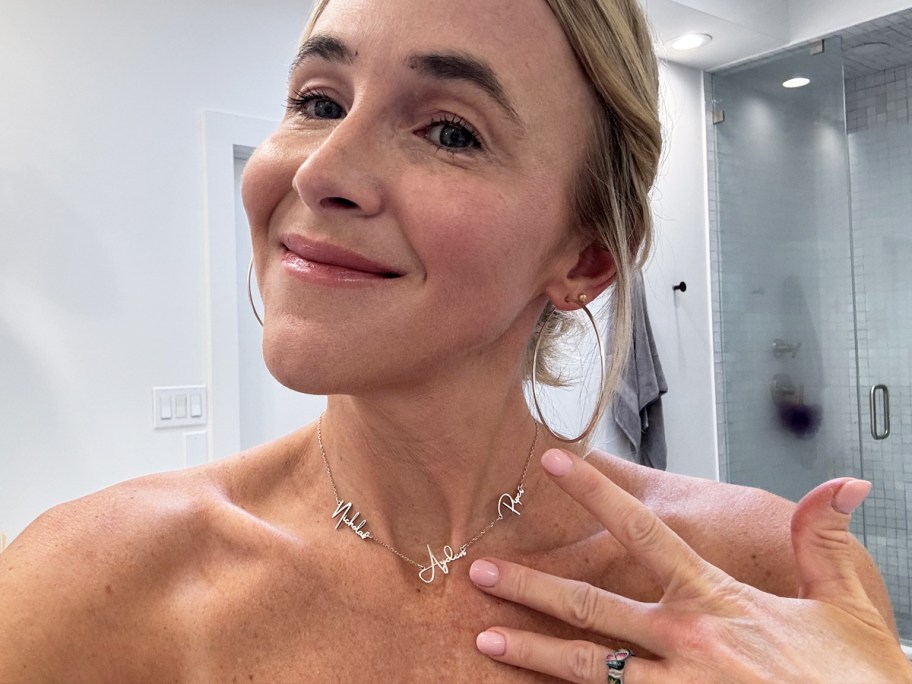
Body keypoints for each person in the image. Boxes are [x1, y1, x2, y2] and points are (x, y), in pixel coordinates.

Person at [1, 0, 910, 681]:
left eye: (449, 130)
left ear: (587, 259)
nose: (320, 172)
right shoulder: (93, 584)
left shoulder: (760, 582)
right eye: (318, 101)